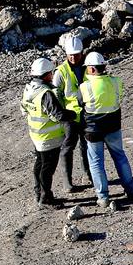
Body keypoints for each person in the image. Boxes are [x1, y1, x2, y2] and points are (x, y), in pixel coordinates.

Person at [78, 51, 133, 208]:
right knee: (120, 157)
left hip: (93, 131)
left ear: (92, 69)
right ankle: (130, 189)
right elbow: (118, 97)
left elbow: (79, 103)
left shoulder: (85, 87)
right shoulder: (116, 82)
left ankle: (103, 197)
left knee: (96, 163)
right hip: (113, 127)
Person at [20, 57, 70, 209]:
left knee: (40, 165)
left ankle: (39, 193)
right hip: (49, 138)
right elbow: (57, 115)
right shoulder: (45, 93)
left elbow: (24, 110)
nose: (52, 75)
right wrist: (72, 114)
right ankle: (46, 198)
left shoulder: (29, 88)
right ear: (46, 74)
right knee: (47, 168)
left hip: (37, 136)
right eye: (51, 73)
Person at [53, 32, 94, 194]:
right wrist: (62, 115)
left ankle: (88, 174)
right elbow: (56, 94)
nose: (73, 58)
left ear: (81, 53)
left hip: (86, 113)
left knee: (86, 146)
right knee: (67, 148)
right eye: (70, 55)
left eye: (76, 55)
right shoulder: (61, 71)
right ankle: (67, 182)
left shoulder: (88, 66)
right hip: (70, 117)